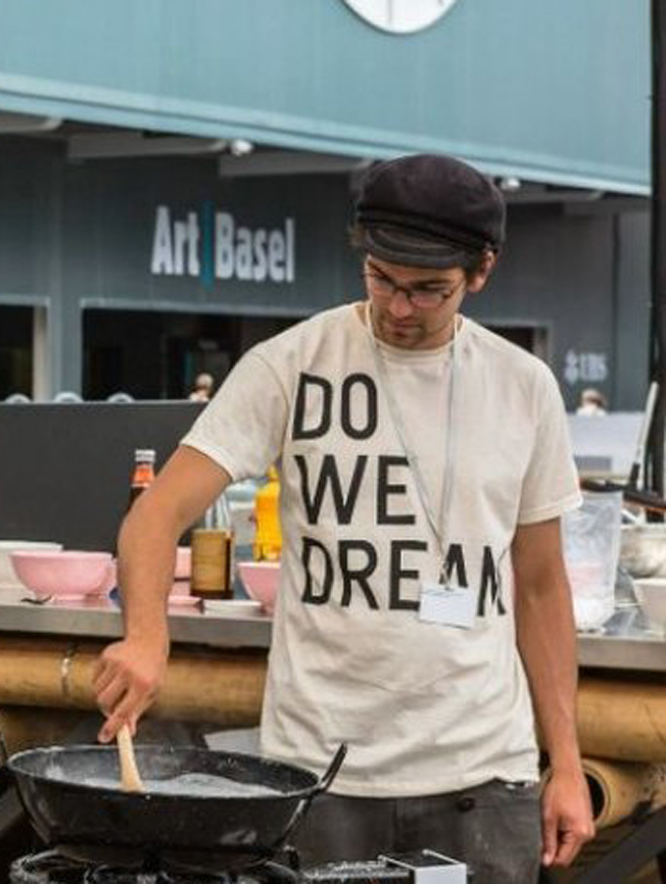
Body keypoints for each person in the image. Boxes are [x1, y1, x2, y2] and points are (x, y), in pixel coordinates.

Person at [94, 154, 593, 880]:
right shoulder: (289, 365)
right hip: (320, 774)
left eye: (430, 291)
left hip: (483, 780)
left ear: (481, 272)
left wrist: (568, 763)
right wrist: (146, 635)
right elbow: (154, 517)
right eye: (382, 278)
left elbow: (542, 586)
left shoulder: (525, 388)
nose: (399, 308)